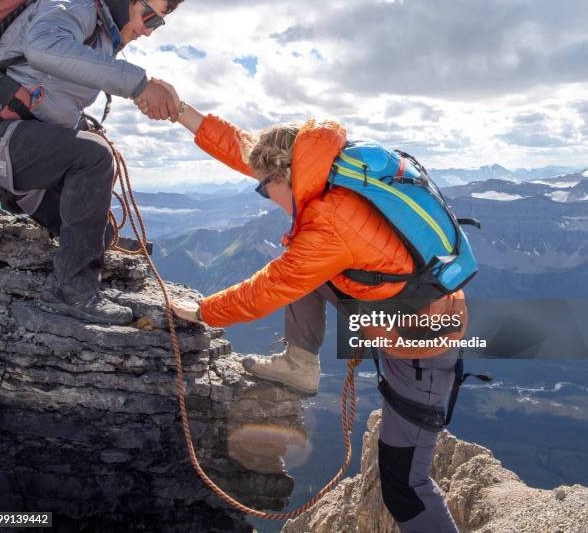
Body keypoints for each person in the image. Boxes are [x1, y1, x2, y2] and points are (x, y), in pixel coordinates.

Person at [144, 96, 467, 532]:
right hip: (411, 316)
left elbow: (271, 288)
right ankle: (299, 363)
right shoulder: (327, 167)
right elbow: (244, 148)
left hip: (422, 348)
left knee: (405, 484)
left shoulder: (328, 222)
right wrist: (180, 109)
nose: (263, 194)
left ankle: (300, 362)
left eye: (264, 187)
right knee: (300, 262)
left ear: (282, 175)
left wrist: (201, 310)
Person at [0, 0, 186, 325]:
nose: (149, 32)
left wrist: (79, 122)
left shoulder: (98, 27)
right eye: (149, 18)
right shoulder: (74, 2)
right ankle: (71, 293)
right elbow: (43, 47)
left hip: (4, 144)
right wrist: (139, 83)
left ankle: (15, 212)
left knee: (97, 234)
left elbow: (37, 91)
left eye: (158, 24)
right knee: (93, 157)